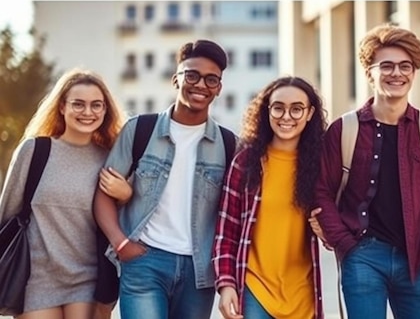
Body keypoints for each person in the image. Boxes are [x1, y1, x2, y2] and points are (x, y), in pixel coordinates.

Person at [310, 23, 420, 318]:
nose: (397, 73)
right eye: (387, 66)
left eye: (405, 66)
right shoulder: (344, 129)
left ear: (415, 72)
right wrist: (345, 244)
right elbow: (320, 192)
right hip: (363, 255)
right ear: (370, 72)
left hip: (417, 257)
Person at [93, 39, 235, 319]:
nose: (200, 85)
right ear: (176, 79)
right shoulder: (140, 130)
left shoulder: (229, 144)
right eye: (192, 75)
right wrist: (121, 244)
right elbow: (103, 194)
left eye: (211, 79)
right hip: (145, 262)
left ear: (218, 88)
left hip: (199, 271)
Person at [0, 68, 131, 319]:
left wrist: (126, 195)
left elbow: (124, 220)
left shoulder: (111, 160)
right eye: (78, 104)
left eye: (96, 105)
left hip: (88, 279)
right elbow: (7, 214)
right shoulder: (34, 151)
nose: (88, 112)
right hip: (34, 277)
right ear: (62, 107)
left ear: (105, 111)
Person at [212, 76, 327, 319]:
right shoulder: (245, 162)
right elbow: (227, 231)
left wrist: (326, 230)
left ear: (310, 113)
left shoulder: (321, 166)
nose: (286, 117)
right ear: (267, 111)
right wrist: (226, 284)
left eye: (297, 109)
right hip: (256, 290)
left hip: (303, 294)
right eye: (278, 108)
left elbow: (335, 227)